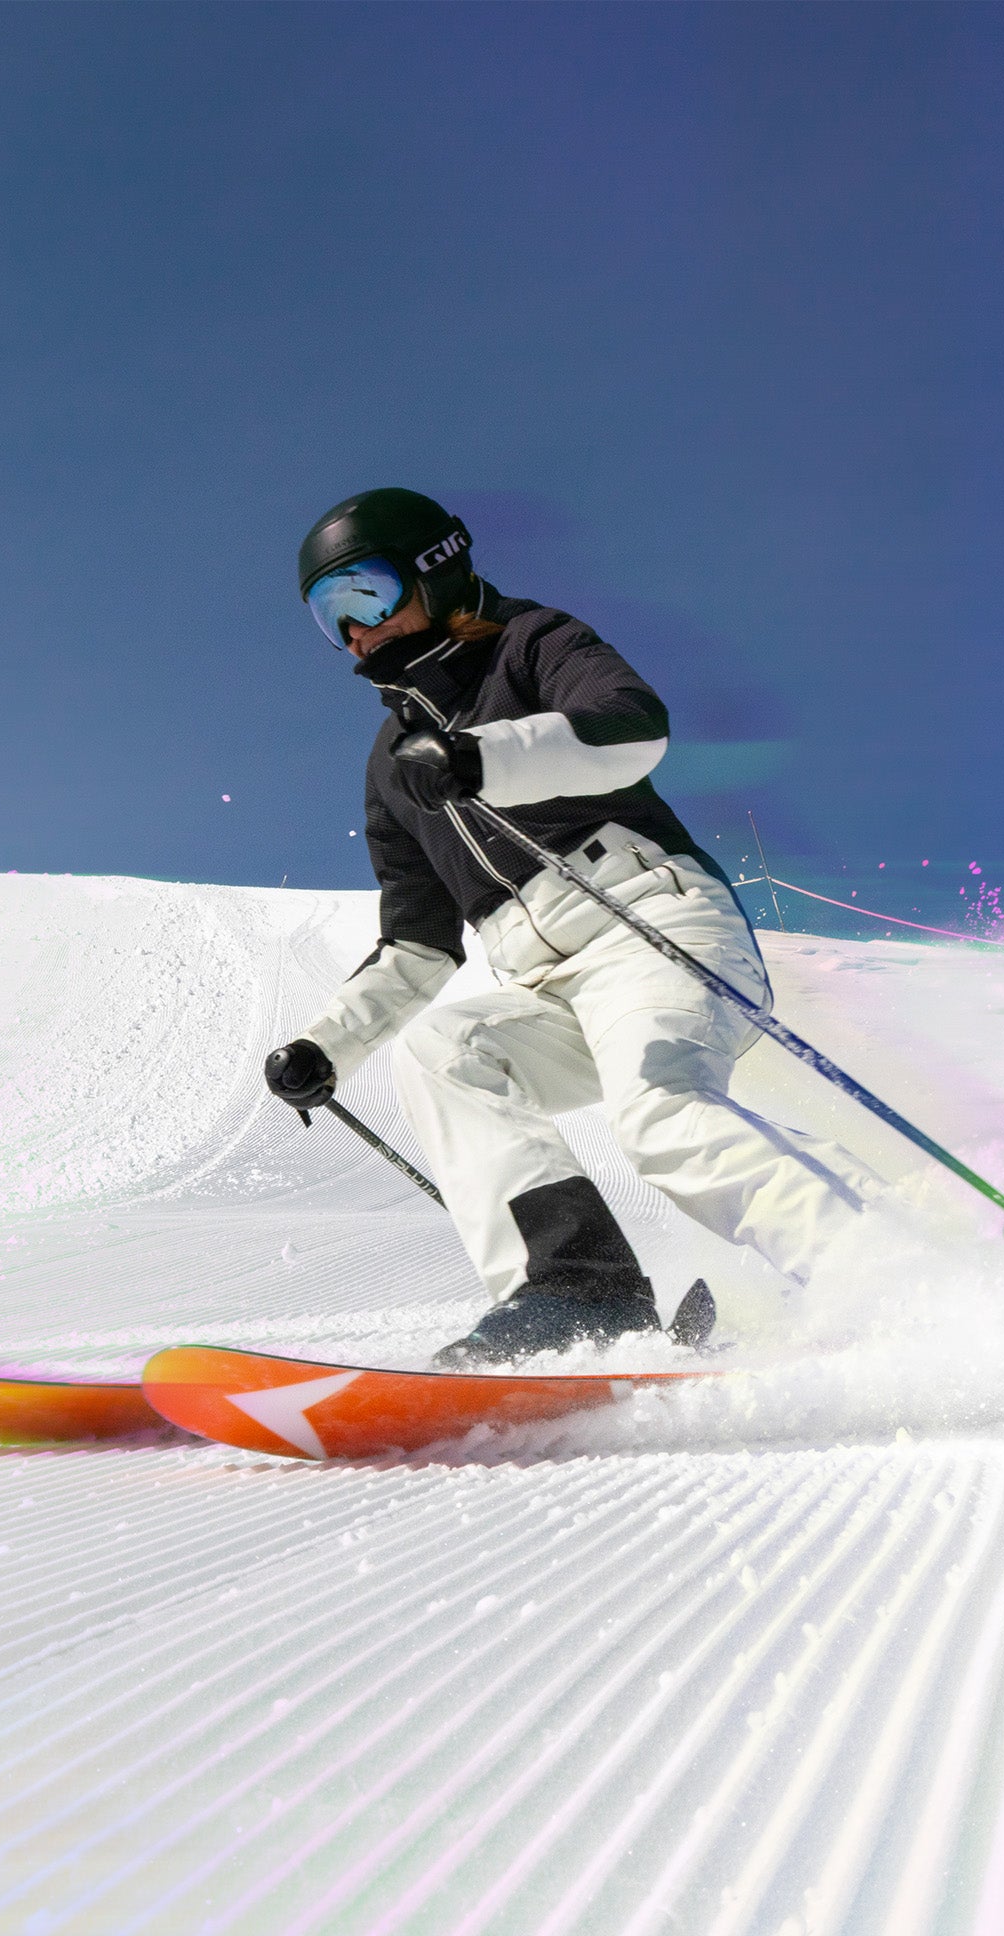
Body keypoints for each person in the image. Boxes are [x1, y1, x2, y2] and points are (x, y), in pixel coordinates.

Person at [263, 486, 889, 1366]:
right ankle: (576, 1292)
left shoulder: (531, 642)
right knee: (445, 1051)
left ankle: (892, 1270)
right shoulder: (394, 768)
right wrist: (327, 1047)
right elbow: (417, 941)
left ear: (437, 571)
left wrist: (486, 758)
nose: (357, 633)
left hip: (651, 927)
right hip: (548, 985)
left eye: (365, 594)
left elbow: (633, 730)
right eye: (331, 618)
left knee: (661, 1115)